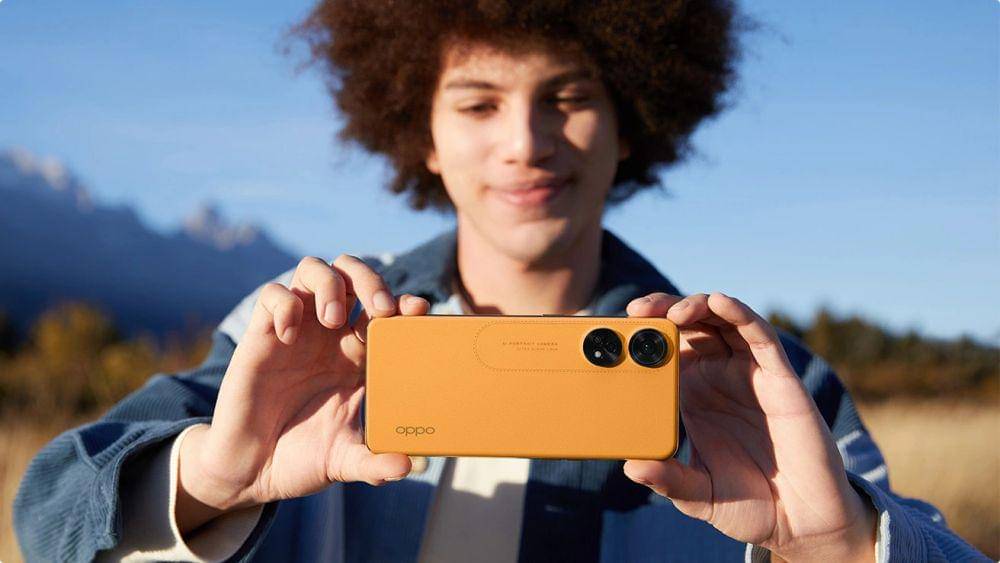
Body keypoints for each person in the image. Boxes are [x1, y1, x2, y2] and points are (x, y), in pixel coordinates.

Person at [14, 1, 987, 561]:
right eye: (478, 103)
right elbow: (51, 510)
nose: (525, 142)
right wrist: (208, 479)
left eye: (568, 97)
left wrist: (843, 543)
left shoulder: (761, 383)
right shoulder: (306, 333)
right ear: (423, 135)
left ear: (630, 123)